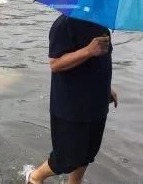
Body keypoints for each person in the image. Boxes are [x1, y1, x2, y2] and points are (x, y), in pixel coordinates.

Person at [25, 15, 118, 184]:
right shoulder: (64, 24)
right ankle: (35, 177)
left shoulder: (102, 23)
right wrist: (88, 51)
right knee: (66, 158)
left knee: (87, 154)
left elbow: (102, 61)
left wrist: (107, 88)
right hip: (71, 105)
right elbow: (55, 64)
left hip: (97, 103)